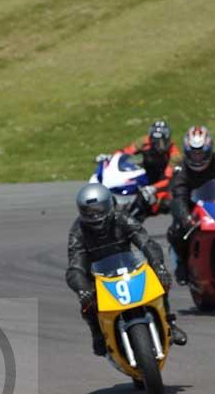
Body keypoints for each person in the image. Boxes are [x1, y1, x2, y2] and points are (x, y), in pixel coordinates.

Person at [66, 183, 187, 355]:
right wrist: (82, 288)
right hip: (98, 275)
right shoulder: (78, 231)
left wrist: (158, 265)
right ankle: (98, 334)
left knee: (161, 278)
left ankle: (168, 322)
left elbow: (146, 242)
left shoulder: (122, 217)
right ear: (81, 212)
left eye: (99, 209)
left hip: (128, 266)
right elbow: (75, 267)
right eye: (89, 211)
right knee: (87, 302)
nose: (95, 216)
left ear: (109, 205)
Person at [97, 120, 180, 219]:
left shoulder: (175, 155)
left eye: (161, 141)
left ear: (168, 139)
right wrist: (110, 157)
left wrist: (153, 188)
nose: (158, 145)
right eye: (155, 141)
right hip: (147, 177)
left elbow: (168, 179)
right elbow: (125, 152)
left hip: (163, 186)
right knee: (134, 194)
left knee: (163, 204)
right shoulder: (144, 142)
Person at [167, 125, 215, 284]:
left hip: (213, 205)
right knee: (176, 232)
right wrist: (185, 217)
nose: (198, 158)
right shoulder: (182, 170)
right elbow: (179, 196)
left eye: (201, 153)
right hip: (192, 210)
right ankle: (182, 263)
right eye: (193, 154)